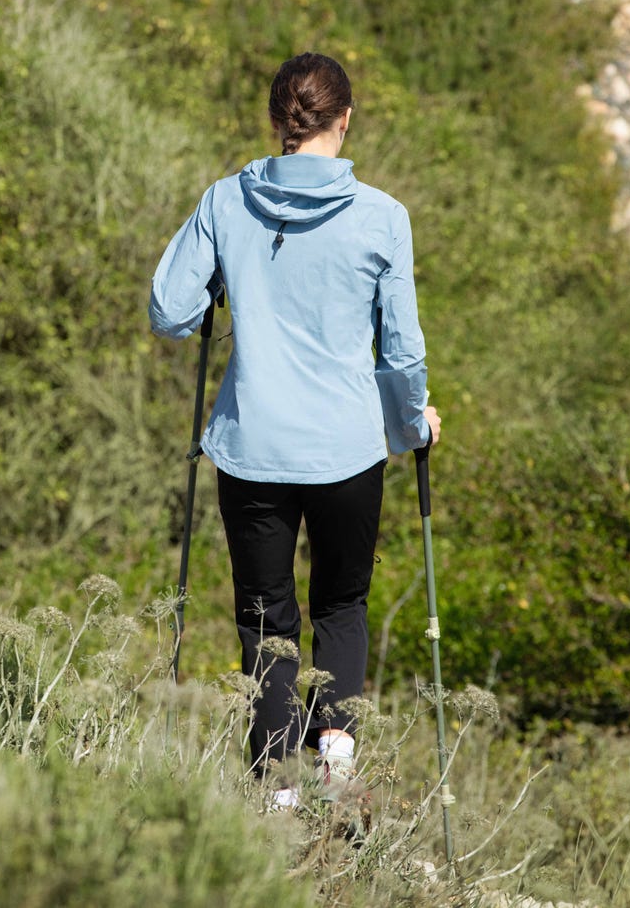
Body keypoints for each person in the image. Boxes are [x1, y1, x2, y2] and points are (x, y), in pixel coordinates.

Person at [149, 52, 441, 808]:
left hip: (253, 449)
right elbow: (402, 352)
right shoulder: (383, 217)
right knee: (342, 604)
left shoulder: (224, 201)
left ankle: (276, 788)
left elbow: (171, 313)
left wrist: (223, 280)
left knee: (264, 614)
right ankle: (336, 750)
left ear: (279, 124)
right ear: (344, 122)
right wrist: (413, 426)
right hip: (347, 450)